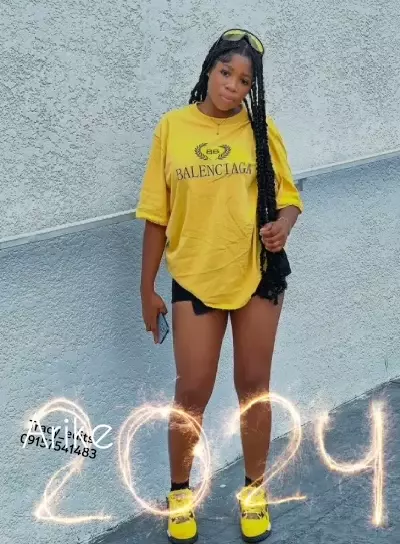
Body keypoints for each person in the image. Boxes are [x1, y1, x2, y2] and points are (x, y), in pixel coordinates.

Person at [136, 28, 304, 544]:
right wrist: (147, 289)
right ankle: (179, 495)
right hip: (194, 276)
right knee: (192, 390)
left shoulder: (260, 131)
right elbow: (156, 215)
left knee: (254, 388)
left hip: (256, 275)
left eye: (244, 80)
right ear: (209, 70)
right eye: (226, 72)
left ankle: (254, 492)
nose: (233, 85)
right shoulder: (172, 128)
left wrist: (283, 225)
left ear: (252, 88)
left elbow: (290, 198)